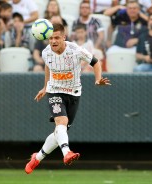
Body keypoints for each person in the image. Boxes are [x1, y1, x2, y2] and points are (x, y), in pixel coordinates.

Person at [24, 23, 111, 174]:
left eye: (57, 38)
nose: (53, 41)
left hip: (74, 93)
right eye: (51, 38)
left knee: (60, 131)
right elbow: (48, 66)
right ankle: (67, 153)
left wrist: (98, 79)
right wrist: (45, 87)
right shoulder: (46, 52)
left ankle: (37, 158)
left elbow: (96, 62)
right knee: (61, 122)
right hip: (55, 91)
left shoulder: (76, 50)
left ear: (64, 37)